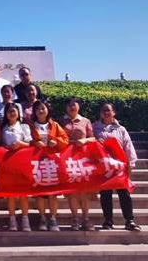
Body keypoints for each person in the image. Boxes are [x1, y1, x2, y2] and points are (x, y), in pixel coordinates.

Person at [94, 103, 141, 231]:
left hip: (119, 166)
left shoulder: (121, 129)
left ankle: (129, 220)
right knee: (105, 194)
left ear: (114, 112)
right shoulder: (95, 128)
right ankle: (108, 221)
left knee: (124, 193)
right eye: (103, 110)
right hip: (104, 167)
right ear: (100, 113)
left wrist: (130, 164)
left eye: (108, 110)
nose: (106, 113)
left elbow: (128, 146)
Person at [30, 100, 68, 231]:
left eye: (43, 108)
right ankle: (42, 218)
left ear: (48, 110)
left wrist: (56, 141)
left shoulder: (55, 125)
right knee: (40, 193)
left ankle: (53, 218)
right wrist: (34, 143)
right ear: (34, 112)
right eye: (38, 109)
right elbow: (26, 141)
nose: (41, 111)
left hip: (52, 163)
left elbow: (65, 140)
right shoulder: (30, 126)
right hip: (37, 162)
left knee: (53, 193)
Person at [60, 98, 96, 231]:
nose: (72, 107)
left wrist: (85, 140)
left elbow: (93, 138)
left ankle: (86, 219)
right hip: (67, 159)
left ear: (78, 107)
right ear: (66, 108)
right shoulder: (61, 121)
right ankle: (75, 218)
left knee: (84, 190)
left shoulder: (85, 121)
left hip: (83, 159)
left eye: (74, 105)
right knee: (71, 191)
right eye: (69, 105)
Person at [0, 103, 32, 231]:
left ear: (18, 113)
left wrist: (20, 144)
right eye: (9, 111)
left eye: (14, 111)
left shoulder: (24, 126)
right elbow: (0, 143)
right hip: (8, 163)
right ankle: (12, 219)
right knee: (10, 194)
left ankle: (25, 219)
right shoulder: (3, 127)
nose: (12, 113)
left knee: (23, 193)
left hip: (21, 162)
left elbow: (29, 144)